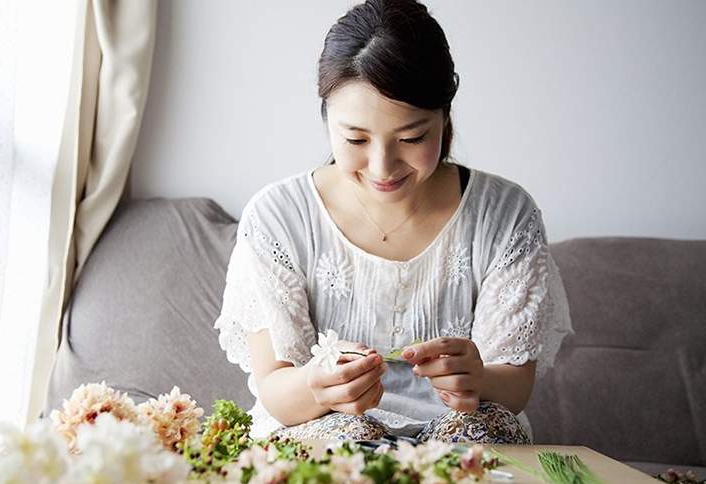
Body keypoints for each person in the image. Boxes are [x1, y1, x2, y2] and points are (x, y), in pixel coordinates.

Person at [214, 0, 573, 443]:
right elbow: (276, 390)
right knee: (343, 439)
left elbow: (515, 387)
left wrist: (477, 377)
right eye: (356, 139)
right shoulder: (278, 219)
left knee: (475, 434)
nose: (383, 167)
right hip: (324, 432)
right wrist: (317, 384)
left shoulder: (504, 216)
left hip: (465, 439)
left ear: (445, 116)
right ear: (327, 119)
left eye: (412, 137)